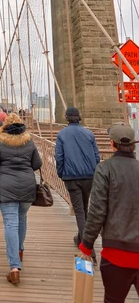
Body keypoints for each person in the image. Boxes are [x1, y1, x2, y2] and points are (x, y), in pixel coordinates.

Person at [79, 123, 139, 303]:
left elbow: (97, 211)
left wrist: (87, 244)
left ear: (112, 144)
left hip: (116, 254)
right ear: (134, 146)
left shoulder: (105, 169)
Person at [0, 112, 42, 285]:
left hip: (6, 185)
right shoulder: (29, 140)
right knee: (22, 217)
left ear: (4, 125)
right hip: (27, 185)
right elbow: (37, 164)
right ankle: (19, 250)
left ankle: (14, 268)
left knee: (11, 223)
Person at [55, 106, 100, 253]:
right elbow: (97, 156)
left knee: (79, 211)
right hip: (89, 176)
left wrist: (61, 174)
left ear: (67, 118)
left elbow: (59, 157)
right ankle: (81, 239)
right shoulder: (89, 133)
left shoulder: (62, 134)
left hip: (72, 177)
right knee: (84, 209)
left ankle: (88, 248)